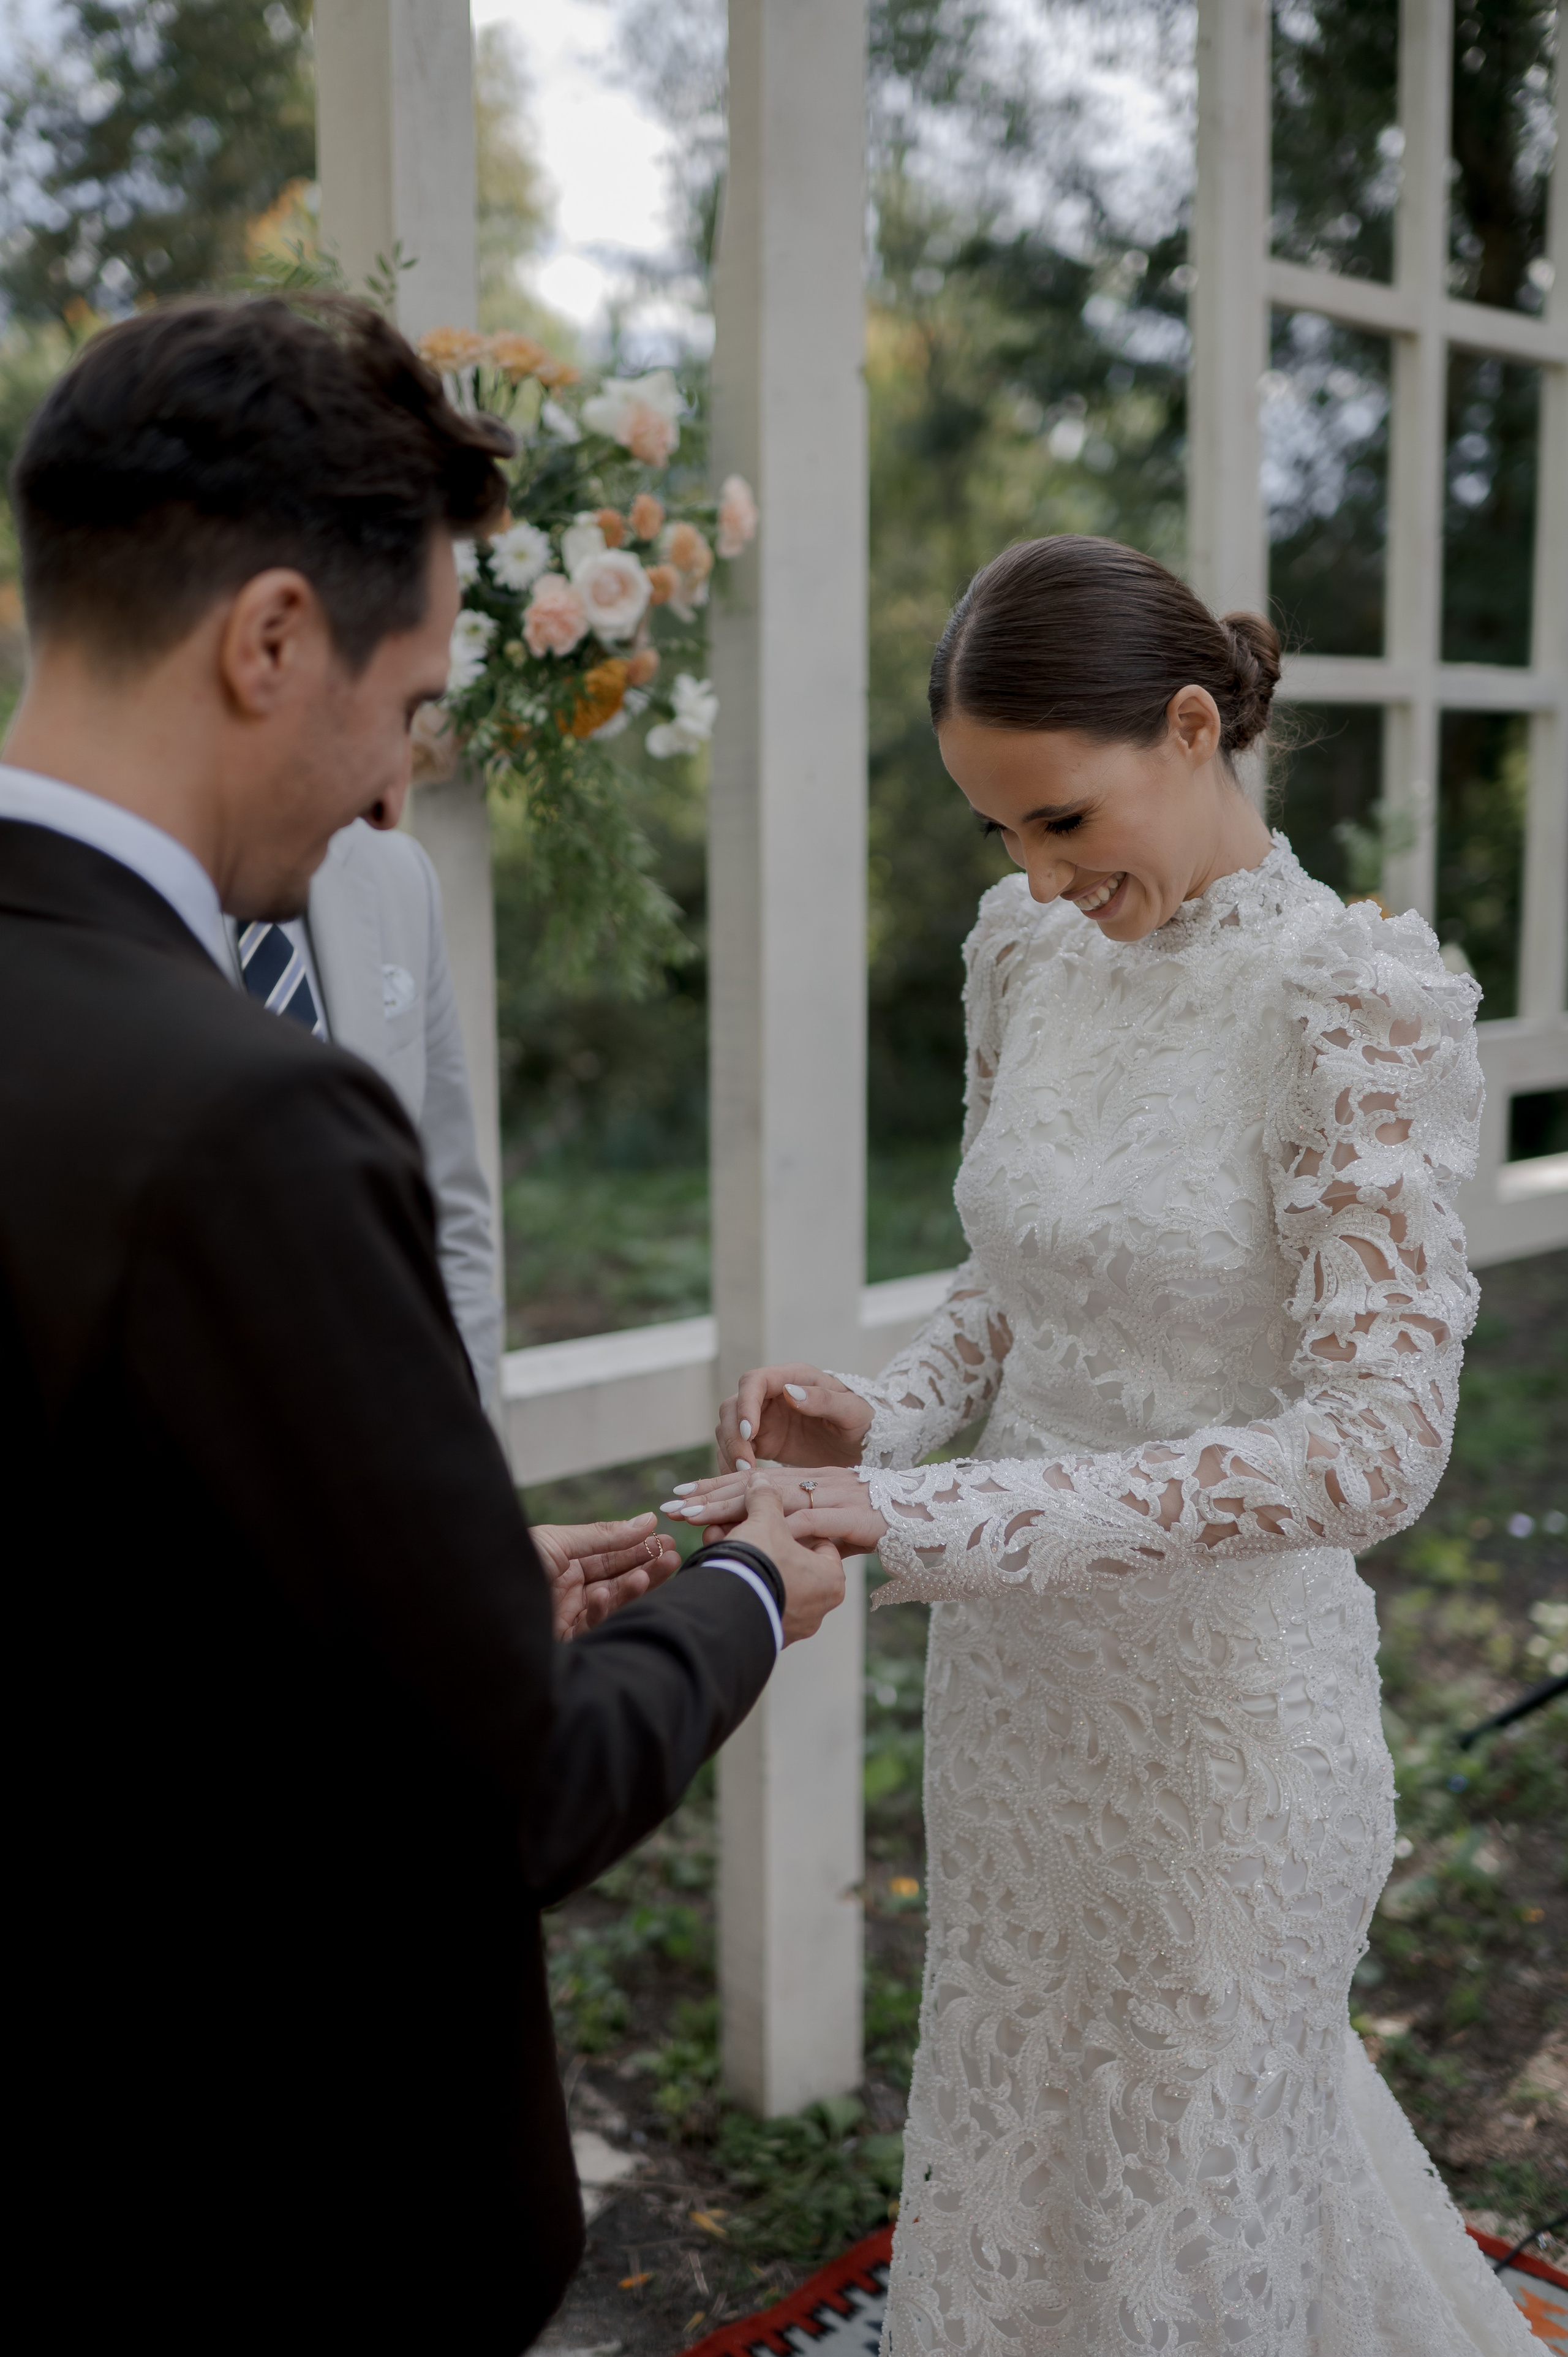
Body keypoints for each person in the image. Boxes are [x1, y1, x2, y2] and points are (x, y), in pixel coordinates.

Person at [0, 294, 843, 2355]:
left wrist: (421, 1585)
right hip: (265, 2183)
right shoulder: (245, 1116)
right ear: (272, 639)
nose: (398, 783)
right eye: (412, 700)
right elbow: (507, 1793)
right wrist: (748, 1591)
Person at [671, 539, 1531, 2353]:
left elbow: (1374, 1445)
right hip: (1019, 1706)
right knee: (1029, 2139)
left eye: (1060, 819)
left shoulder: (1351, 1001)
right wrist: (888, 1414)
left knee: (1191, 2199)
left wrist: (928, 1512)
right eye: (1000, 833)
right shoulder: (1026, 954)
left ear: (1193, 727)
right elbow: (1015, 1281)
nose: (1041, 879)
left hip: (1224, 1726)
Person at [230, 779, 502, 1405]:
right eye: (394, 724)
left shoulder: (396, 871)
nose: (394, 797)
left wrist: (460, 1417)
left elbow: (449, 1206)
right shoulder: (99, 886)